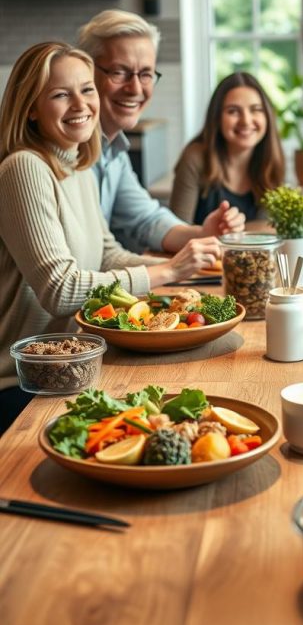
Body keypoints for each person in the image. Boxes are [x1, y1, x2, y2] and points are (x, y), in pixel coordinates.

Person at [0, 42, 222, 431]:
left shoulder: (78, 165)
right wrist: (167, 272)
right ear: (31, 107)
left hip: (69, 368)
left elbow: (106, 255)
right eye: (59, 94)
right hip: (20, 385)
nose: (80, 104)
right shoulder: (24, 168)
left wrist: (192, 270)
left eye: (86, 90)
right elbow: (60, 289)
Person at [78, 10, 246, 254]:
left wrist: (203, 233)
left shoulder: (114, 153)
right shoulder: (64, 150)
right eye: (119, 72)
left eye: (145, 74)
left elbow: (147, 220)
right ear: (87, 72)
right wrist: (171, 268)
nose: (135, 88)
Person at [170, 72, 285, 224]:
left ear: (267, 116)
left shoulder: (271, 162)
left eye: (256, 109)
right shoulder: (195, 158)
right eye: (233, 111)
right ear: (217, 118)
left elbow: (267, 234)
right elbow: (176, 230)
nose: (246, 120)